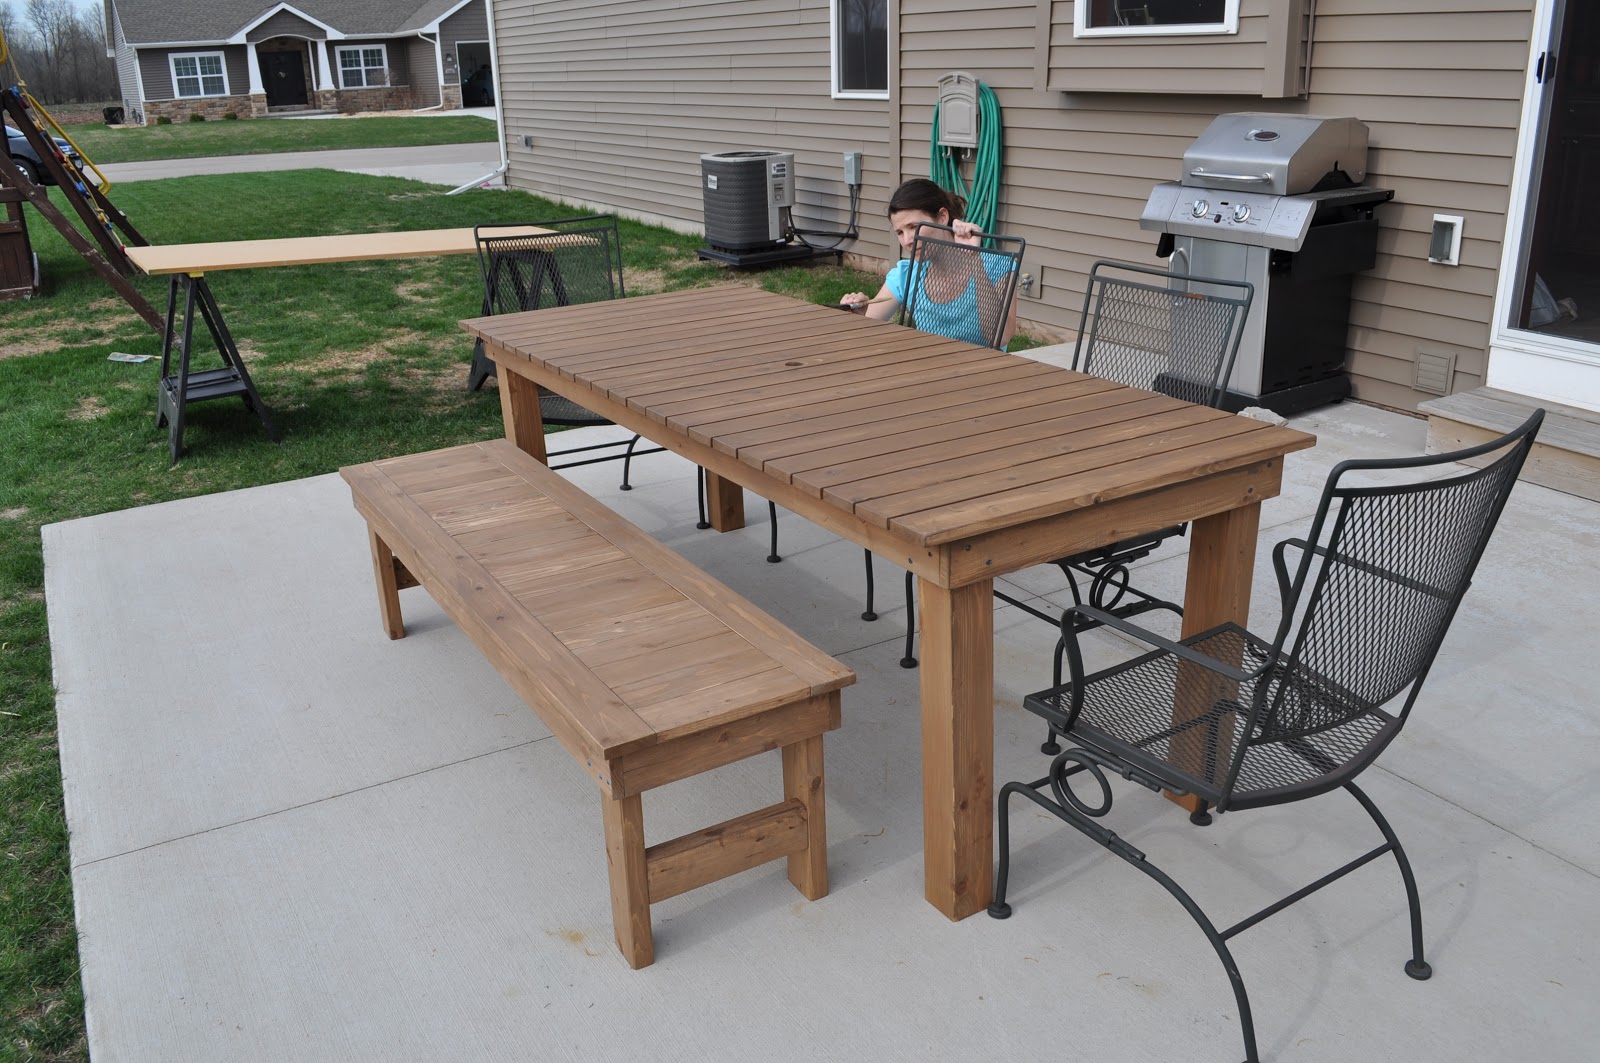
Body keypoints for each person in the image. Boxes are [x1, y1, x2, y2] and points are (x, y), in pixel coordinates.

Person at [839, 178, 1019, 349]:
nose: (908, 240)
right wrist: (858, 316)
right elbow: (867, 329)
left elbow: (999, 338)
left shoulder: (999, 266)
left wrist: (974, 257)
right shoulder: (906, 274)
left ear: (942, 217)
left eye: (914, 227)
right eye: (900, 232)